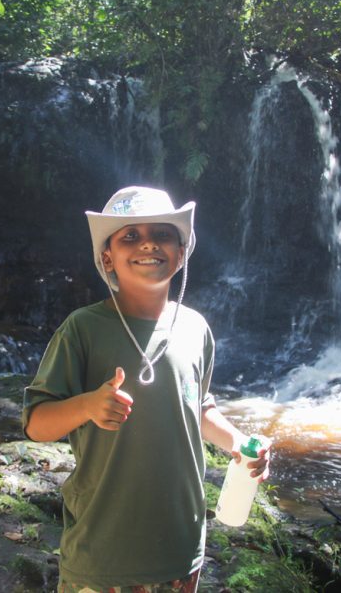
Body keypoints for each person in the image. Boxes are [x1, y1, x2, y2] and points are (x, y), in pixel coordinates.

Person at [22, 185, 270, 592]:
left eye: (163, 233)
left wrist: (240, 442)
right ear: (108, 257)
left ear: (182, 250)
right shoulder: (82, 329)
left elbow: (199, 406)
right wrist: (88, 405)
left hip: (180, 547)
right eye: (130, 236)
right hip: (102, 551)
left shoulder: (196, 329)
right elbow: (36, 424)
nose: (149, 244)